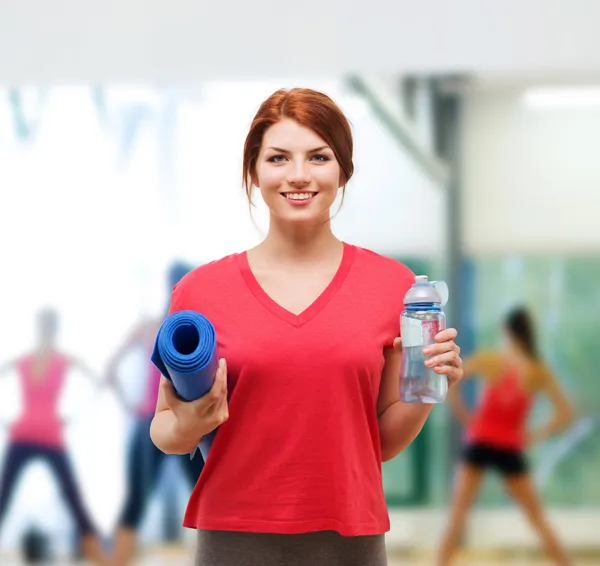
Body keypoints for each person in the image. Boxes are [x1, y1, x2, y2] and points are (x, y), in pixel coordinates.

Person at [149, 87, 464, 566]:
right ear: (254, 172)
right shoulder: (200, 291)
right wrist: (191, 423)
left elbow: (379, 445)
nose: (298, 176)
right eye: (278, 158)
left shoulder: (393, 286)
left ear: (343, 170)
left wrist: (427, 387)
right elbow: (165, 430)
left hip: (349, 540)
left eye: (318, 157)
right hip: (233, 538)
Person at [437, 306, 575, 566]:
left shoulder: (493, 360)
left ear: (507, 331)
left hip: (480, 441)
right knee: (537, 519)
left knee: (457, 516)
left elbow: (451, 380)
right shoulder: (538, 370)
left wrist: (467, 418)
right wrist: (535, 434)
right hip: (509, 447)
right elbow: (565, 413)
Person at [107, 262, 205, 566]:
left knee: (204, 499)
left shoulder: (195, 327)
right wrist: (130, 406)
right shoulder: (160, 327)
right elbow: (111, 369)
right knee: (142, 501)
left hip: (185, 422)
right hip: (155, 421)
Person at [0, 308, 106, 566]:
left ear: (53, 328)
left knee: (72, 497)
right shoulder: (25, 359)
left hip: (48, 435)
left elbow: (98, 381)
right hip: (24, 433)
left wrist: (72, 416)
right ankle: (98, 553)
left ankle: (98, 555)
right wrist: (5, 420)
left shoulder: (61, 359)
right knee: (5, 496)